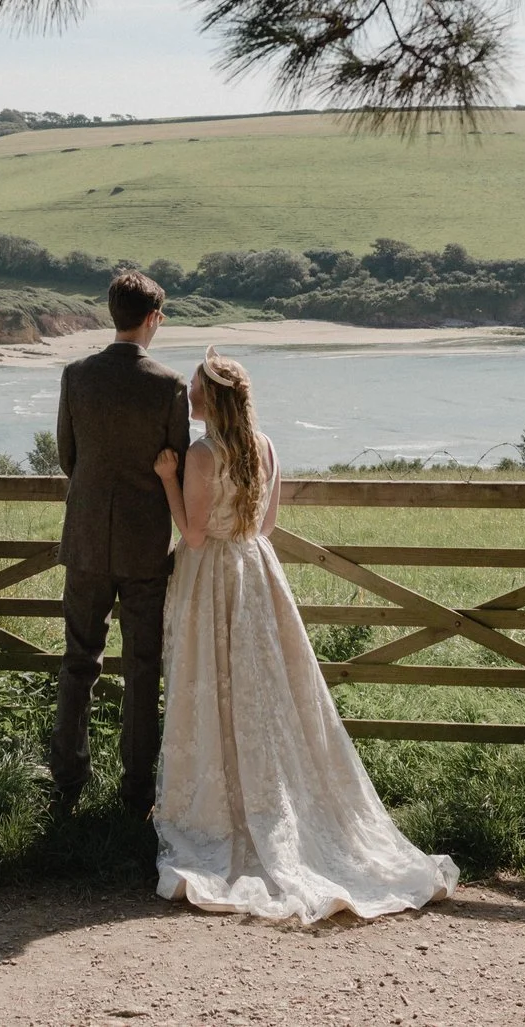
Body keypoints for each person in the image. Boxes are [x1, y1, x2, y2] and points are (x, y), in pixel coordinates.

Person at [149, 348, 458, 923]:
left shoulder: (198, 454)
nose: (186, 397)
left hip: (212, 574)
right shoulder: (264, 447)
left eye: (193, 389)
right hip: (258, 573)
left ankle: (222, 808)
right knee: (268, 687)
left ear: (211, 399)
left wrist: (169, 480)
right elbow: (265, 525)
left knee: (212, 680)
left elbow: (192, 536)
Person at [48, 269, 190, 818]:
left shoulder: (76, 375)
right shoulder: (169, 385)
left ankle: (66, 781)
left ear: (113, 313)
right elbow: (174, 468)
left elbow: (68, 457)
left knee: (78, 659)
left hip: (84, 539)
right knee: (142, 665)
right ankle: (136, 792)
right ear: (152, 317)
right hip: (144, 546)